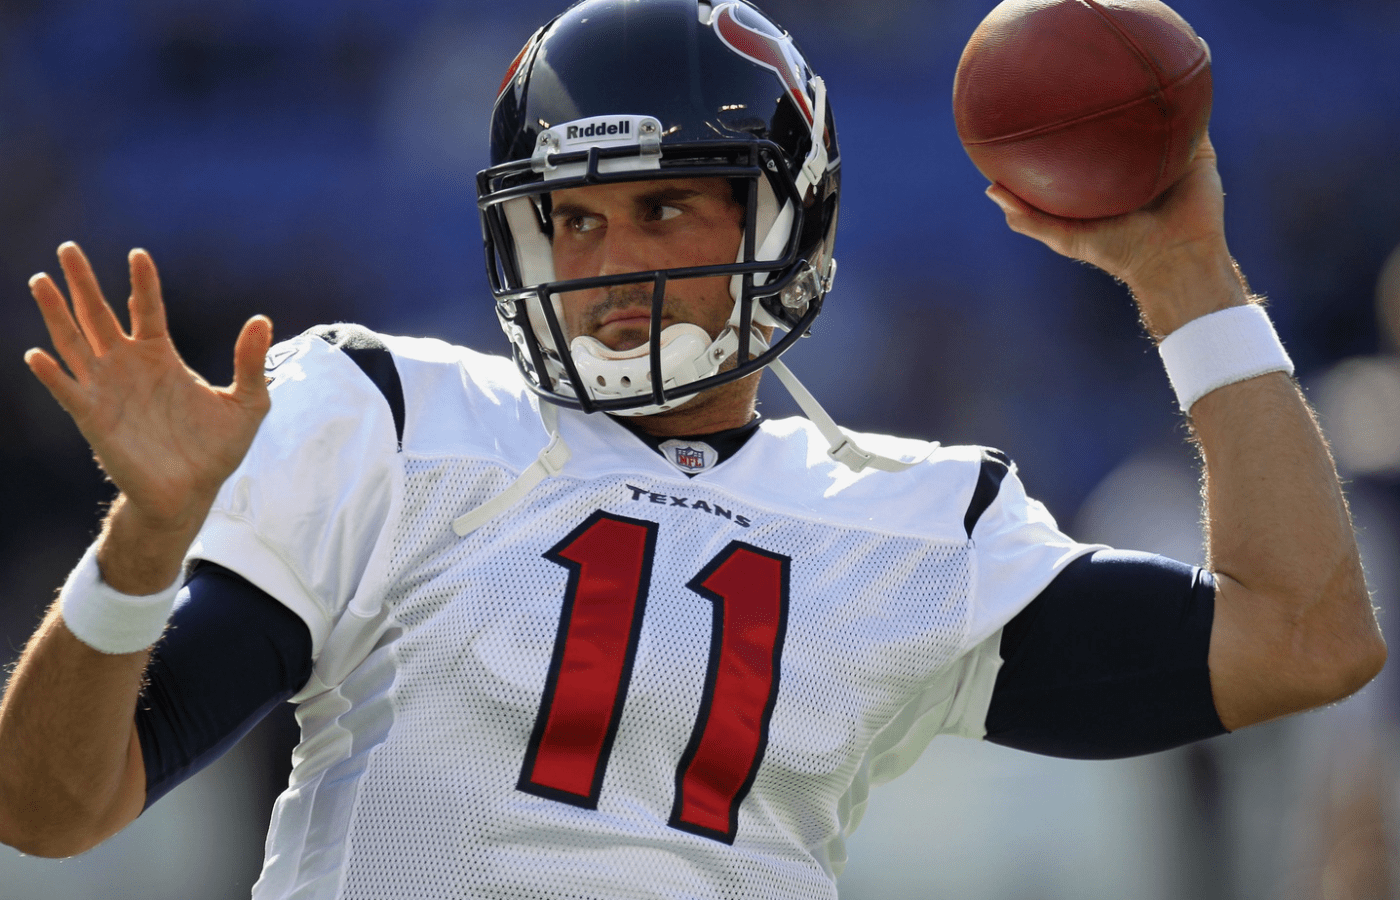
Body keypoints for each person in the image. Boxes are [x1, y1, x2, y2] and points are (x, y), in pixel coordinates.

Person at [0, 0, 1384, 897]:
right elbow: (50, 811)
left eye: (669, 208)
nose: (609, 263)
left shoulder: (907, 525)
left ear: (791, 220)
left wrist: (1188, 279)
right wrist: (145, 536)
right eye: (575, 219)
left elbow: (1308, 643)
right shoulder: (396, 418)